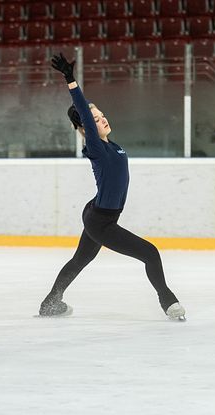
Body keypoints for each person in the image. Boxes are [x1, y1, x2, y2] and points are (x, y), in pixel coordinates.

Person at [38, 53, 186, 321]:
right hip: (101, 221)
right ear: (85, 127)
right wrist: (70, 80)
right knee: (150, 253)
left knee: (80, 260)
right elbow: (82, 111)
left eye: (102, 115)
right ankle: (169, 302)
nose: (102, 119)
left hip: (96, 212)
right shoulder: (95, 147)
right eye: (94, 119)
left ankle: (50, 303)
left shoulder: (113, 146)